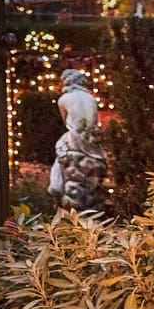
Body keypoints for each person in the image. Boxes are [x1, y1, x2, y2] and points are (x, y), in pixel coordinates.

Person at [48, 68, 106, 210]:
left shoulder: (63, 99)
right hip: (91, 136)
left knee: (60, 148)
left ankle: (55, 186)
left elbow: (66, 121)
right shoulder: (91, 98)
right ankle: (56, 186)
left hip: (75, 137)